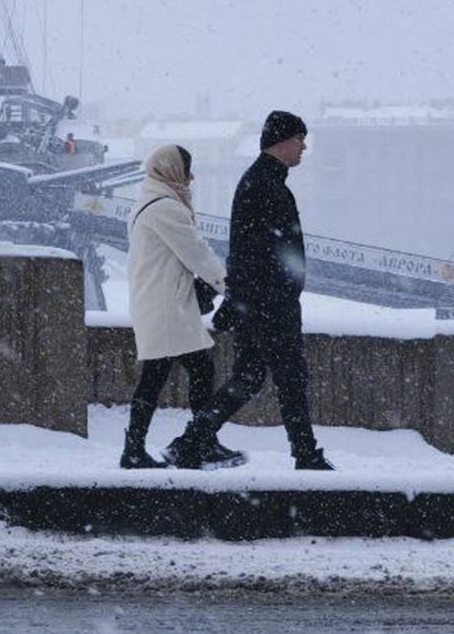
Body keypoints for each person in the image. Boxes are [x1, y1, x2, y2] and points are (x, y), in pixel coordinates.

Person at [164, 110, 334, 471]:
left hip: (263, 302)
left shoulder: (262, 182)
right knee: (289, 377)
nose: (304, 146)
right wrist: (262, 297)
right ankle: (306, 455)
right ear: (282, 141)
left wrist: (241, 298)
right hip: (271, 304)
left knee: (251, 376)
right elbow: (253, 252)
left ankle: (190, 443)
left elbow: (249, 251)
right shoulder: (264, 185)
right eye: (299, 139)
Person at [120, 145, 228, 469]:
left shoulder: (146, 202)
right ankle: (198, 442)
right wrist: (227, 283)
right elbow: (195, 251)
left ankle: (138, 448)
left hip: (159, 302)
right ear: (173, 171)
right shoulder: (165, 207)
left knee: (164, 376)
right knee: (195, 371)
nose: (191, 177)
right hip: (167, 307)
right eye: (187, 169)